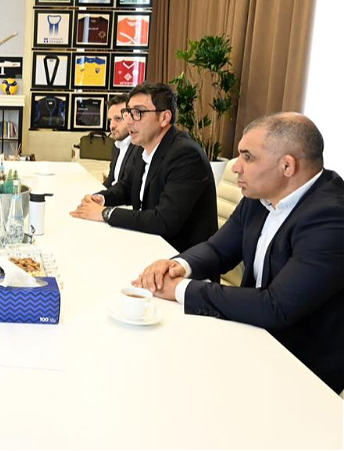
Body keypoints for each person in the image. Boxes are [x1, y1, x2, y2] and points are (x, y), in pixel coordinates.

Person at [133, 113, 344, 393]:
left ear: (287, 165)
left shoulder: (331, 216)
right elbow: (218, 249)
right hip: (251, 333)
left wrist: (181, 289)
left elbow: (276, 307)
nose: (236, 168)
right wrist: (179, 266)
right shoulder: (261, 194)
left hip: (301, 368)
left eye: (248, 157)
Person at [71, 82, 217, 253]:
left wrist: (105, 213)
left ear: (164, 118)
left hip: (180, 256)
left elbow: (164, 221)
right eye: (128, 113)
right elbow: (127, 187)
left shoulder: (185, 155)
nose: (129, 121)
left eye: (138, 113)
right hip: (148, 243)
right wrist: (101, 198)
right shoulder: (145, 147)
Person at [102, 93, 140, 188]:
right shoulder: (117, 146)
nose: (112, 126)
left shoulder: (140, 148)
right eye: (110, 120)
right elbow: (111, 181)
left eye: (118, 119)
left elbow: (128, 188)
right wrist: (96, 194)